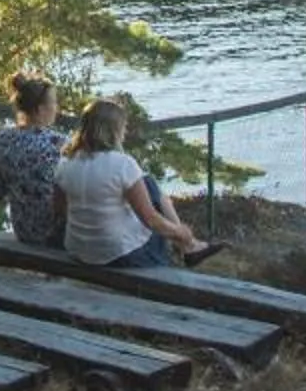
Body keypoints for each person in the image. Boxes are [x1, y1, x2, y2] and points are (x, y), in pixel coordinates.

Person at [51, 98, 203, 270]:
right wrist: (181, 233)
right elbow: (151, 220)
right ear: (114, 131)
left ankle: (190, 247)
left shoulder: (65, 164)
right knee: (152, 193)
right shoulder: (123, 164)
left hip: (78, 250)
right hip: (119, 254)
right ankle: (188, 247)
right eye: (123, 127)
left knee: (148, 185)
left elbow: (60, 210)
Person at [0, 72, 68, 249]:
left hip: (24, 232)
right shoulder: (59, 144)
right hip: (58, 235)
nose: (57, 108)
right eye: (53, 102)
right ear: (40, 109)